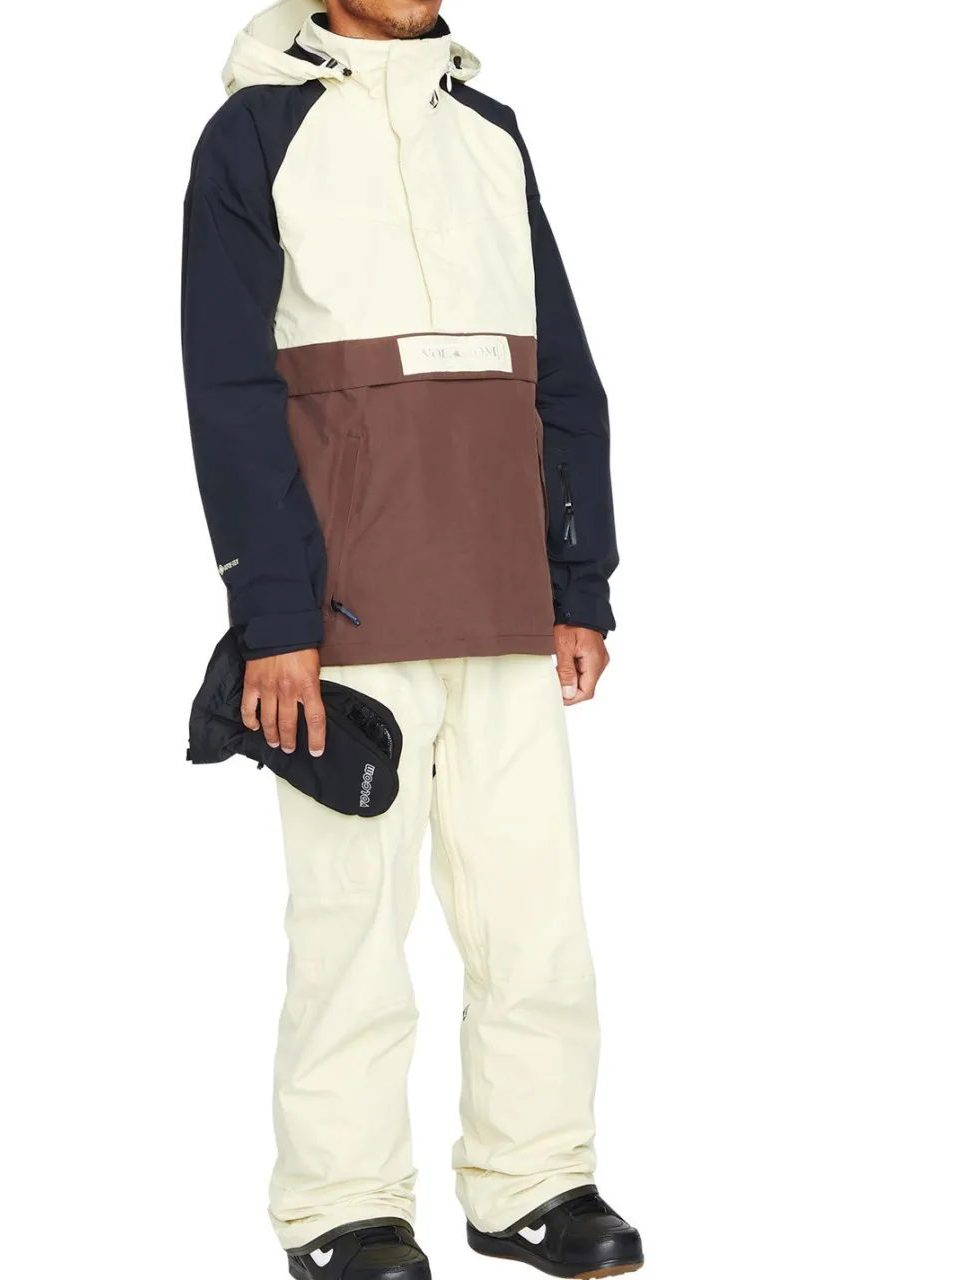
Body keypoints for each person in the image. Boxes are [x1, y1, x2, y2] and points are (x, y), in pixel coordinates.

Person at [181, 1, 643, 1275]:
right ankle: (340, 1204)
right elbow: (227, 392)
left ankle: (533, 1182)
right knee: (350, 925)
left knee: (533, 916)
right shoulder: (254, 135)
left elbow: (562, 377)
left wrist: (578, 581)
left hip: (503, 600)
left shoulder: (490, 132)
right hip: (344, 617)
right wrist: (273, 619)